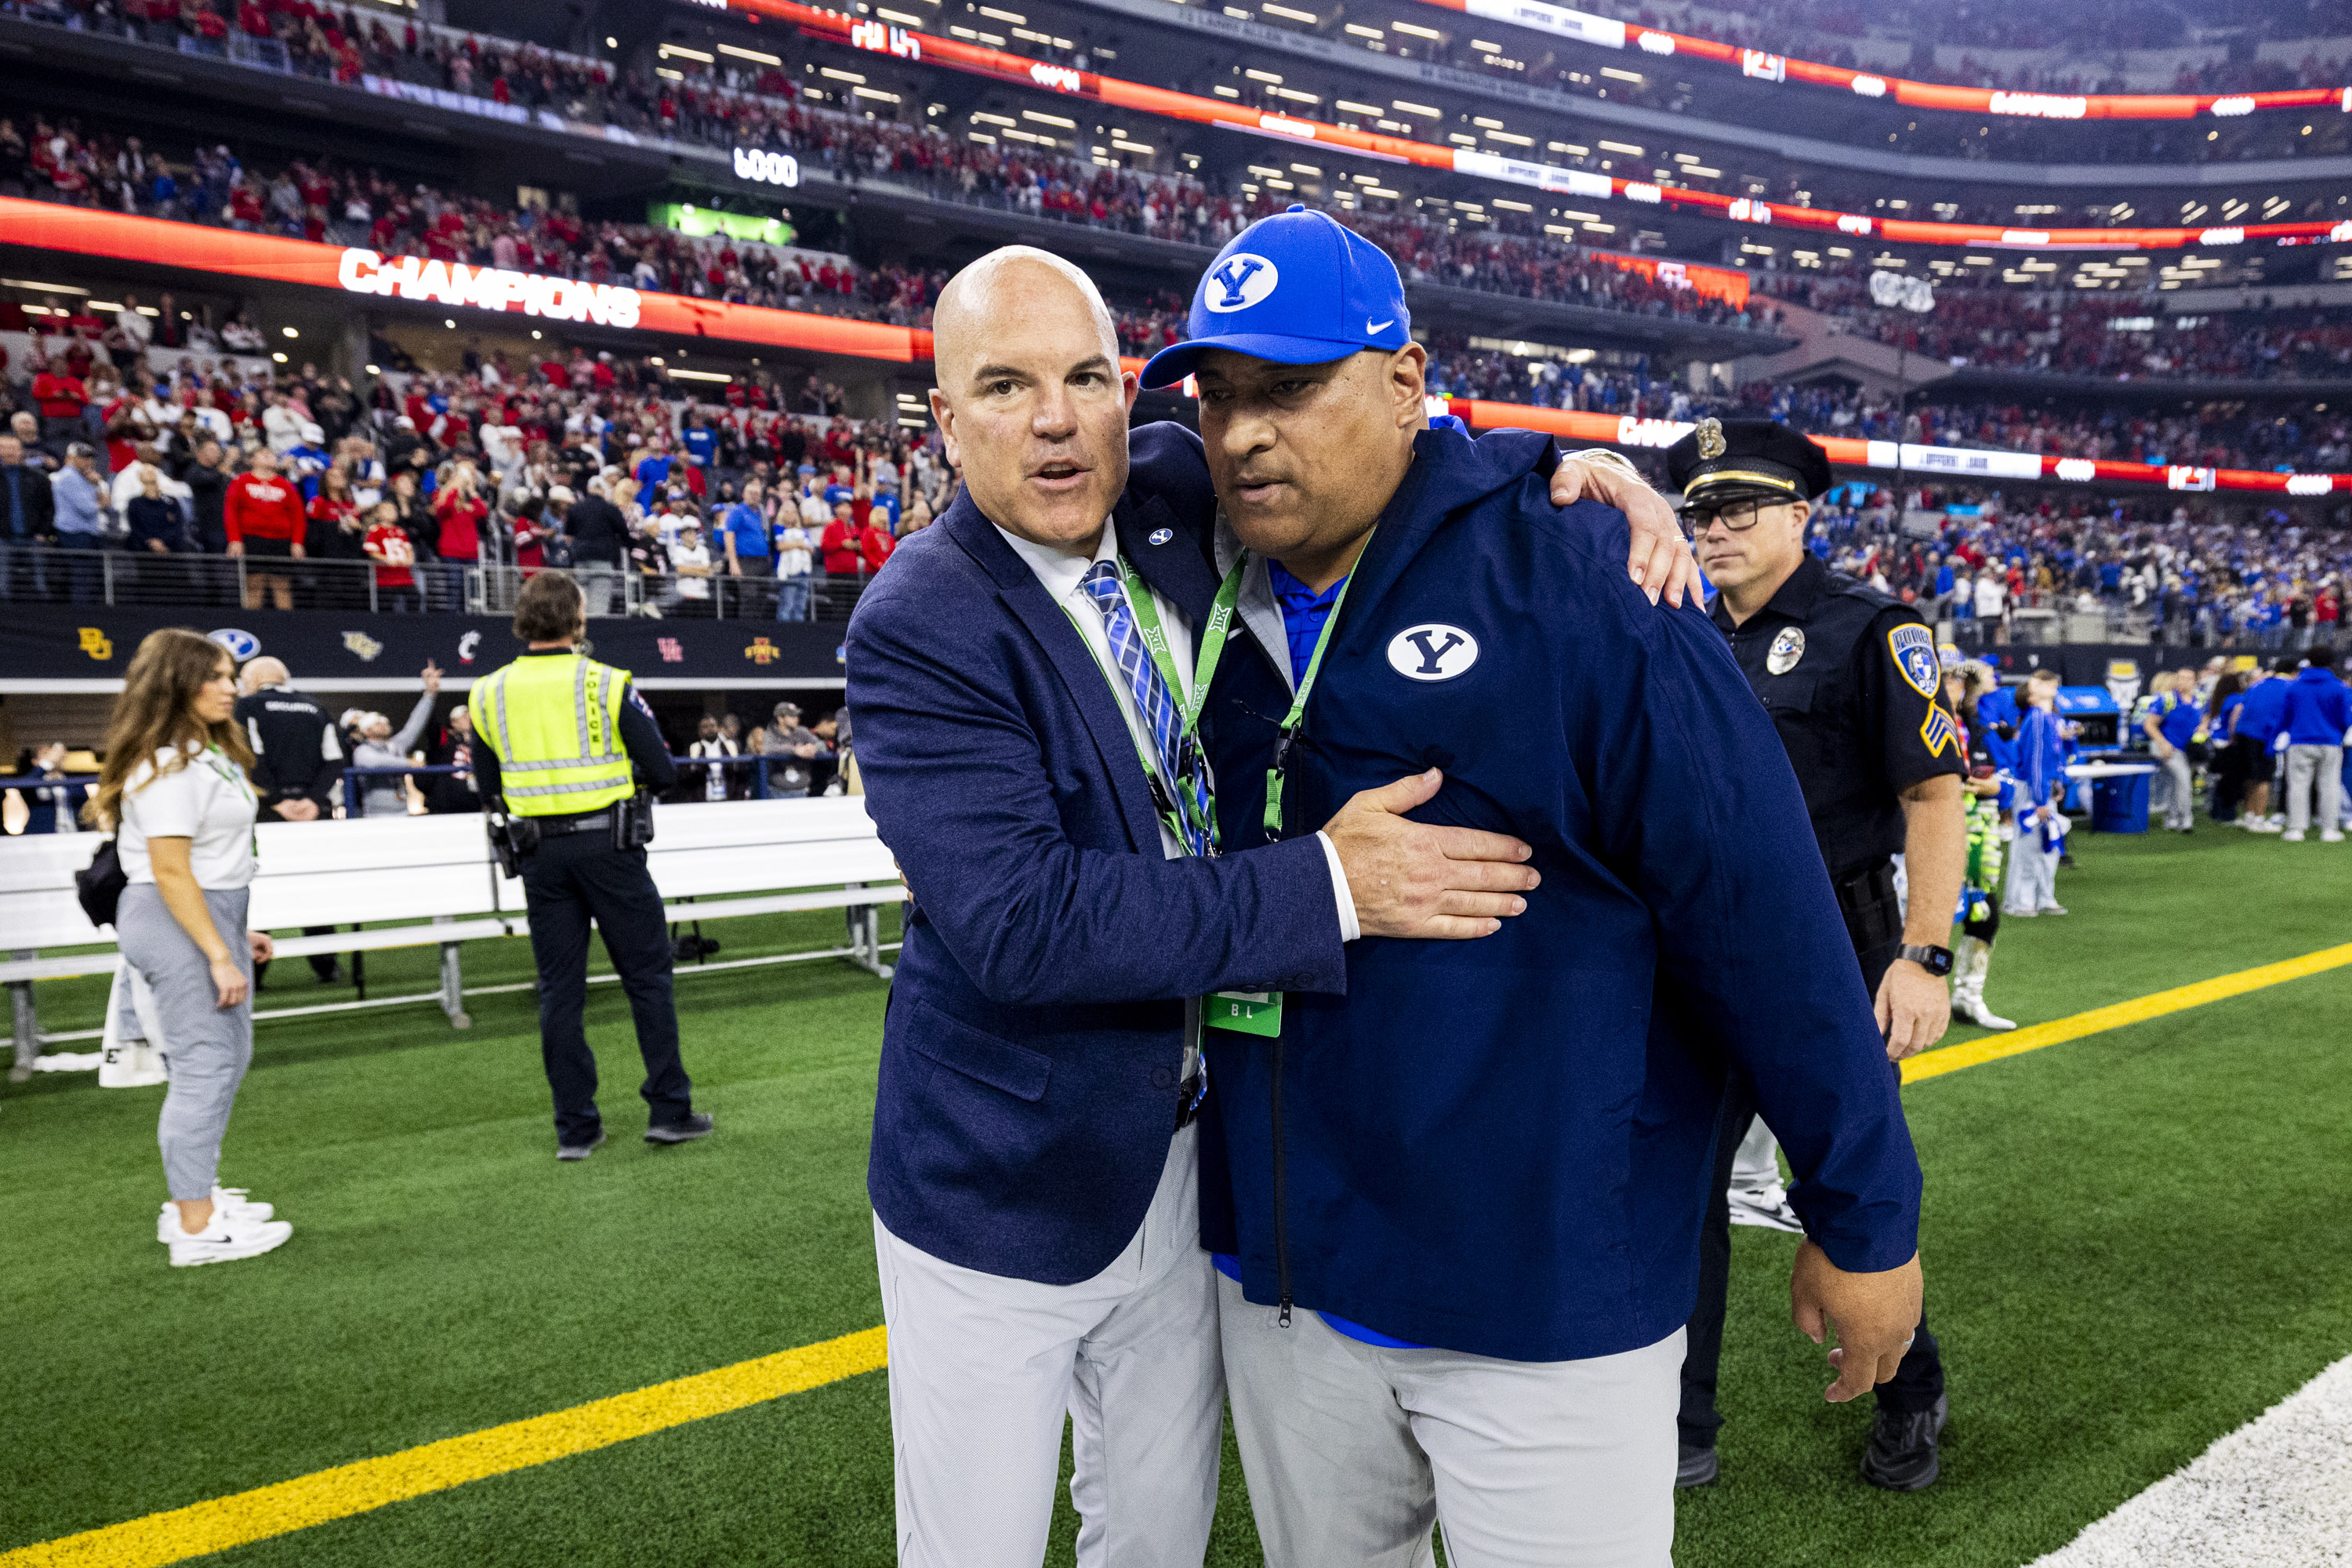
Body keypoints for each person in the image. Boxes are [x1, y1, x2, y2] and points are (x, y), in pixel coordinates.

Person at [849, 241, 1697, 1568]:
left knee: (1156, 1536)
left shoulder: (1175, 487)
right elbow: (1025, 923)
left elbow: (1366, 432)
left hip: (1185, 1168)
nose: (1059, 419)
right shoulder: (919, 621)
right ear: (947, 421)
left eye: (1085, 377)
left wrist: (1550, 471)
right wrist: (1328, 886)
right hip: (998, 1182)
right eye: (1006, 388)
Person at [1128, 209, 1925, 1561]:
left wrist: (1865, 1217)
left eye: (1291, 391)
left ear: (1404, 381)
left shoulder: (1582, 577)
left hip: (1544, 1286)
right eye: (1221, 400)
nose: (1247, 433)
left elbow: (1762, 912)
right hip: (1290, 1281)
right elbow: (1062, 451)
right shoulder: (1193, 575)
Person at [1667, 414, 1965, 1493]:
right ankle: (1681, 1427)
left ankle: (1909, 1390)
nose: (1713, 529)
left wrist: (1925, 955)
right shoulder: (1685, 625)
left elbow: (1935, 793)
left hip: (1836, 952)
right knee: (1678, 1196)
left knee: (1847, 1189)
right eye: (1698, 510)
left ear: (1802, 511)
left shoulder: (1869, 628)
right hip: (1693, 959)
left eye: (1738, 507)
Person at [469, 572, 712, 1160]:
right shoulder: (606, 683)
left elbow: (486, 784)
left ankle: (575, 1127)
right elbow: (661, 769)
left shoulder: (487, 693)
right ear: (578, 619)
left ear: (521, 619)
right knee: (647, 981)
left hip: (538, 856)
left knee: (560, 992)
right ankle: (668, 1111)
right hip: (611, 848)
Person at [85, 629, 292, 1267]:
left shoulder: (200, 753)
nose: (232, 687)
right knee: (204, 1065)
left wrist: (234, 935)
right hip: (175, 918)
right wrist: (217, 951)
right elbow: (170, 871)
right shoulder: (167, 764)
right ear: (178, 684)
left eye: (233, 675)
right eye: (218, 677)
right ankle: (195, 1226)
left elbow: (209, 862)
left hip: (204, 914)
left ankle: (196, 1194)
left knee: (225, 1058)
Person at [235, 655, 347, 985]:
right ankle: (327, 966)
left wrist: (278, 801)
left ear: (252, 681)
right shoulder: (316, 708)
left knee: (258, 888)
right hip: (315, 815)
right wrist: (312, 801)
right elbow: (335, 760)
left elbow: (248, 759)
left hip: (267, 814)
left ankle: (254, 971)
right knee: (314, 888)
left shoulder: (247, 707)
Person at [1949, 662, 2018, 1031]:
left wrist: (1996, 788)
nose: (1953, 688)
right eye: (1945, 680)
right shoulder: (1904, 725)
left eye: (1959, 681)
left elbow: (2004, 777)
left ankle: (1967, 997)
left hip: (1972, 840)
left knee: (1984, 914)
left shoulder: (1975, 729)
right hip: (1914, 842)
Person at [2005, 669, 2070, 916]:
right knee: (2029, 847)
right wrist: (2040, 799)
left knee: (2048, 846)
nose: (2050, 685)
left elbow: (2054, 758)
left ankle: (2044, 898)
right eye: (2041, 684)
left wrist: (2059, 783)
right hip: (2033, 789)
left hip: (2043, 787)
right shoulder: (2038, 719)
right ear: (2031, 696)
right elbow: (2036, 762)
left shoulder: (2049, 718)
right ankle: (2022, 902)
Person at [350, 666, 441, 818]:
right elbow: (374, 762)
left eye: (384, 721)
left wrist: (430, 694)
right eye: (377, 723)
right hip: (376, 816)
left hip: (403, 812)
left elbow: (415, 725)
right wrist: (408, 763)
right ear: (366, 731)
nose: (383, 724)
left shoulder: (395, 745)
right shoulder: (363, 751)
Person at [2280, 644, 2350, 842]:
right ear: (2331, 662)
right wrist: (2338, 733)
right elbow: (2346, 718)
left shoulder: (2295, 685)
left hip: (2300, 741)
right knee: (2330, 786)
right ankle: (2329, 829)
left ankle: (2296, 829)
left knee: (2298, 785)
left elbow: (2286, 715)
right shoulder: (2339, 687)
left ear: (2309, 661)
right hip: (2330, 741)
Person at [224, 445, 305, 611]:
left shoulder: (286, 485)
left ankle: (286, 626)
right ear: (252, 460)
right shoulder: (241, 481)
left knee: (282, 586)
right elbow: (230, 511)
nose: (268, 455)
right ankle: (252, 626)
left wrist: (297, 542)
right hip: (252, 538)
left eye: (271, 454)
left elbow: (298, 515)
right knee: (254, 584)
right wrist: (235, 539)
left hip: (281, 540)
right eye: (263, 453)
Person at [2231, 660, 2292, 833]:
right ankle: (2259, 818)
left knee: (2250, 776)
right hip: (2264, 735)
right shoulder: (2290, 686)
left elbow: (2240, 708)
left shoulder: (2258, 685)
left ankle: (2249, 816)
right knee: (2264, 778)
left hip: (2244, 732)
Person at [2142, 668, 2201, 834]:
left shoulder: (2200, 699)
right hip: (2170, 747)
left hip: (2190, 749)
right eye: (2181, 678)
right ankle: (2186, 820)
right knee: (2183, 781)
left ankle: (2172, 818)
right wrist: (2162, 743)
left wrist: (2203, 728)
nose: (2184, 682)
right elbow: (2149, 724)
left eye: (2188, 678)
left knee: (2176, 784)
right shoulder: (2166, 699)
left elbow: (2205, 717)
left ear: (2194, 681)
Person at [757, 701, 826, 797]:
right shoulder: (770, 733)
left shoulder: (802, 731)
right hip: (778, 791)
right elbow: (768, 748)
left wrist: (813, 748)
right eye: (792, 716)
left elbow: (822, 745)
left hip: (802, 790)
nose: (796, 719)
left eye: (797, 716)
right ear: (780, 719)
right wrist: (794, 750)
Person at [686, 714, 739, 803]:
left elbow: (739, 772)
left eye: (712, 726)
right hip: (703, 799)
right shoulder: (694, 749)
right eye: (705, 727)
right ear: (699, 731)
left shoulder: (730, 746)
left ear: (718, 728)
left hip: (728, 799)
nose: (710, 729)